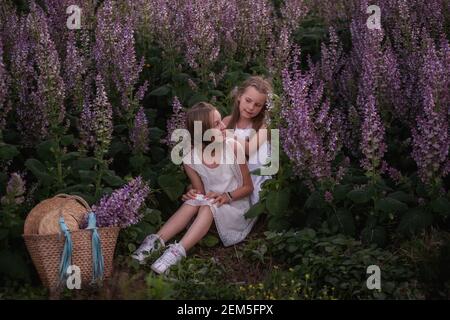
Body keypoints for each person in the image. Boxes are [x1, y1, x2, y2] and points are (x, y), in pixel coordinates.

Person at [132, 102, 255, 274]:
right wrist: (193, 192)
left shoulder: (234, 148)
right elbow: (200, 191)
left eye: (221, 121)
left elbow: (248, 187)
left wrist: (227, 196)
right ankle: (154, 243)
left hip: (235, 203)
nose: (223, 126)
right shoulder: (191, 158)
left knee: (207, 205)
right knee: (193, 201)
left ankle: (177, 251)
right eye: (216, 124)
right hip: (212, 201)